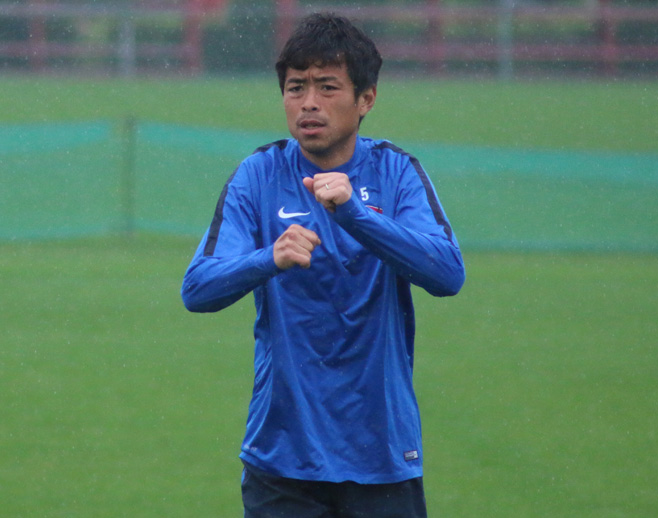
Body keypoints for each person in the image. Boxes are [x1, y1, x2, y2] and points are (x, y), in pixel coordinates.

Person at [181, 12, 465, 518]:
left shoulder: (396, 171)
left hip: (382, 456)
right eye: (296, 87)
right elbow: (198, 288)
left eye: (327, 87)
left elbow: (447, 273)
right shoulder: (259, 174)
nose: (309, 102)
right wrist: (269, 258)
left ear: (366, 99)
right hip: (282, 459)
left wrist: (356, 215)